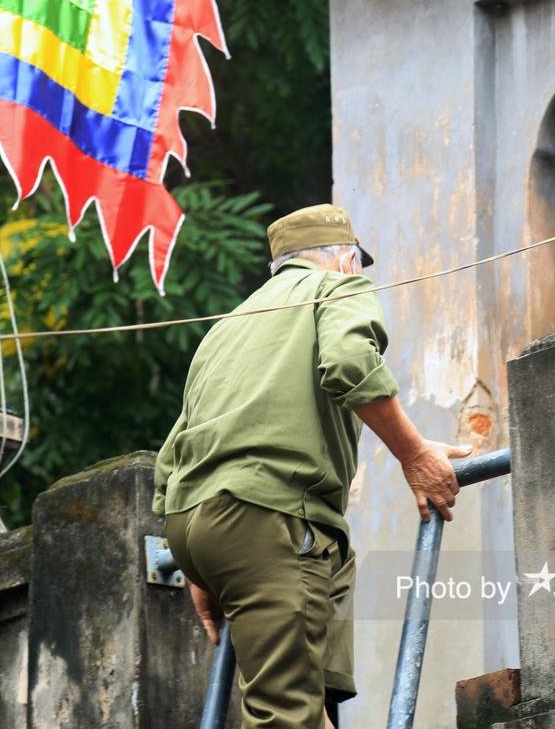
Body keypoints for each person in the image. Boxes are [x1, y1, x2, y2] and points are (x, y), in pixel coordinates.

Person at [153, 204, 469, 728]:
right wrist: (415, 456)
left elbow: (176, 444)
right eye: (359, 265)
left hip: (194, 522)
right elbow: (349, 363)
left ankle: (321, 700)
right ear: (346, 260)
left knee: (333, 551)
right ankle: (306, 706)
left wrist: (196, 563)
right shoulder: (339, 288)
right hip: (265, 514)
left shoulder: (228, 326)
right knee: (283, 717)